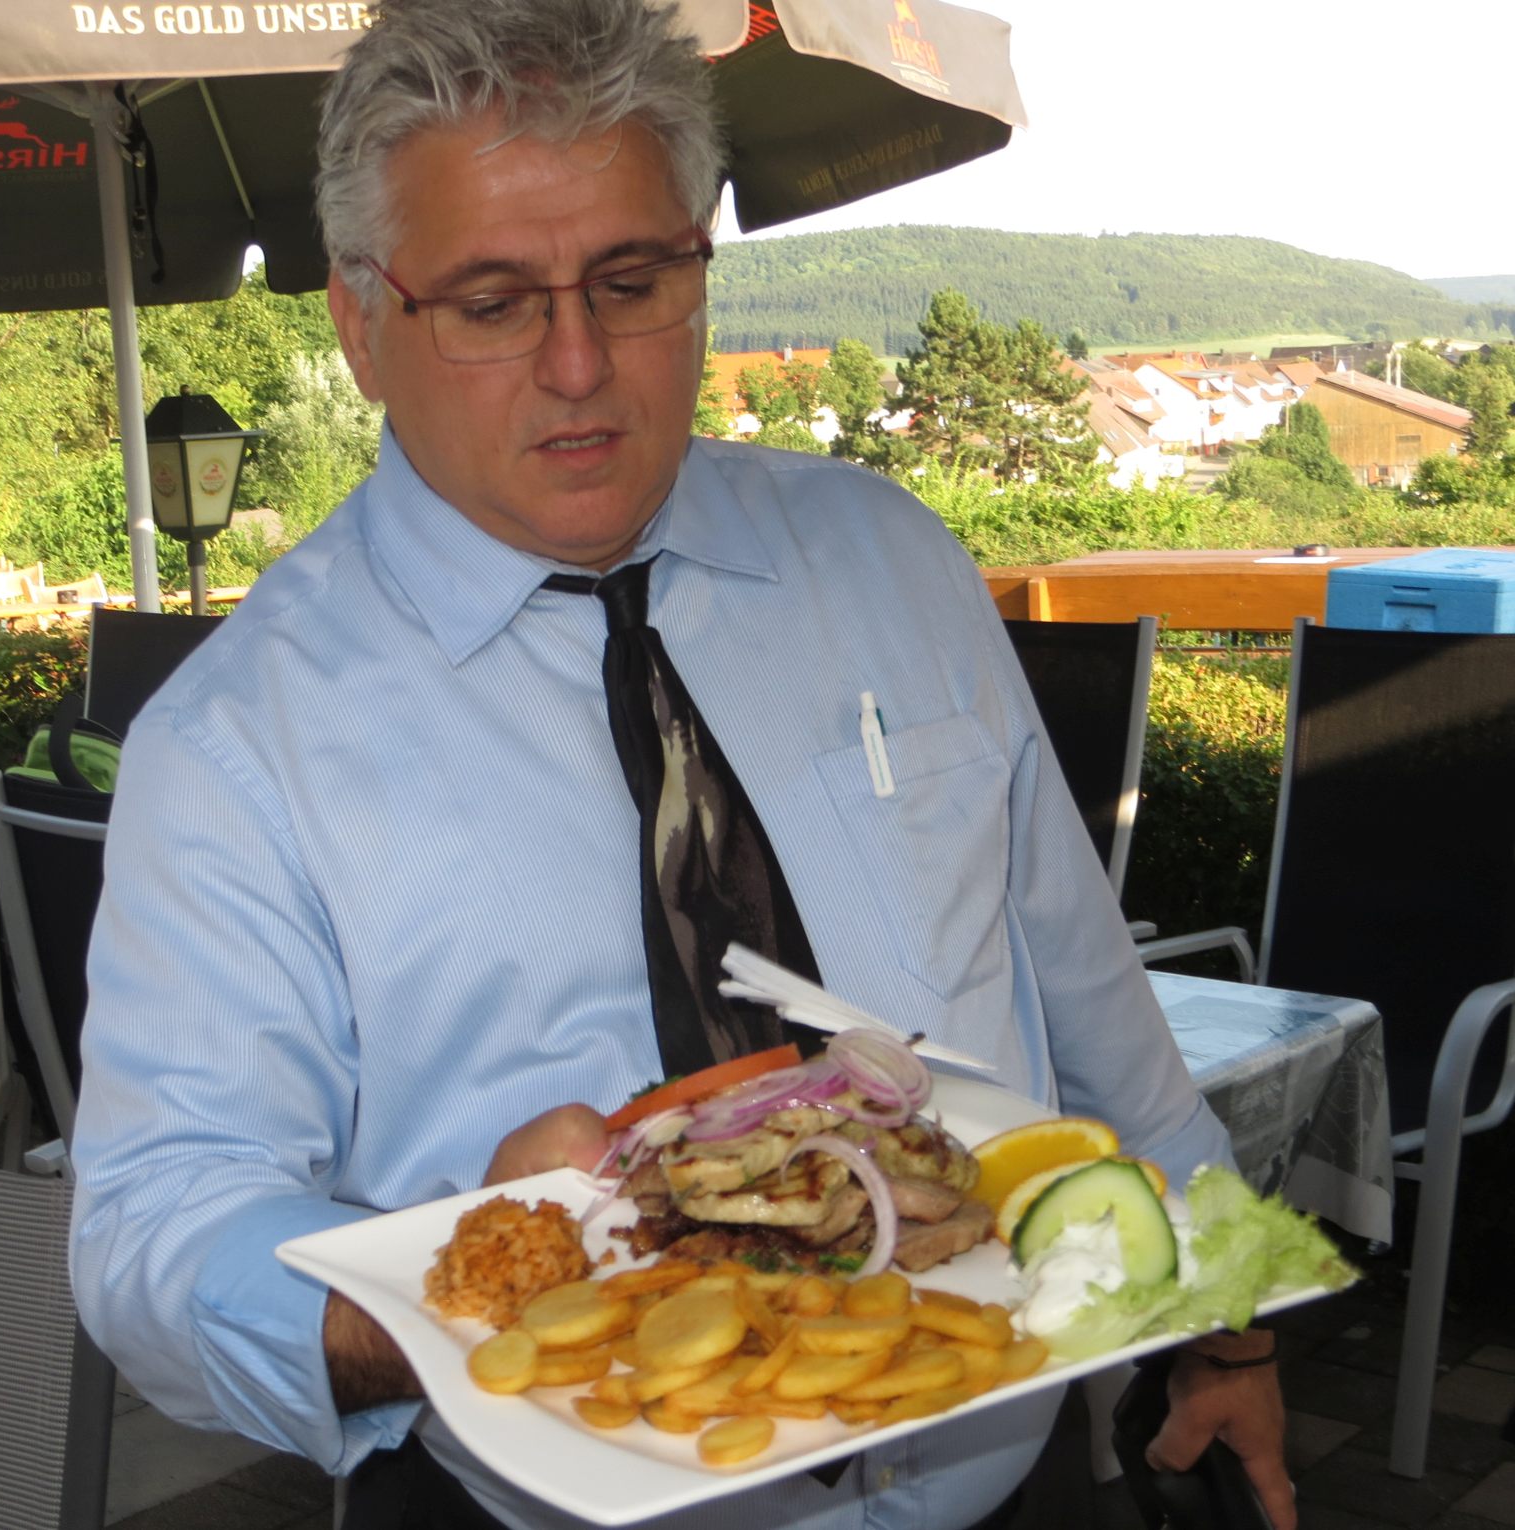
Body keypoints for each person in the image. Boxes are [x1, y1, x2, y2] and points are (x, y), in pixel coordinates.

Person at [70, 2, 1292, 1525]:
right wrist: (453, 1285)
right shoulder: (237, 745)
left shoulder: (892, 561)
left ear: (700, 271)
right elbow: (151, 1233)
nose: (580, 363)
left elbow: (1082, 986)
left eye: (632, 281)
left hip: (1012, 1473)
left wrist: (1229, 1317)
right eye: (494, 303)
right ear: (363, 326)